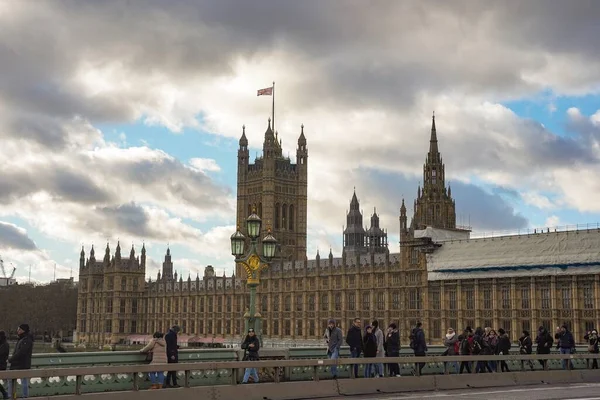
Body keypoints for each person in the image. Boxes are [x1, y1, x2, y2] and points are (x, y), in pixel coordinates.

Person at [8, 324, 34, 399]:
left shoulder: (26, 340)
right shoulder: (22, 339)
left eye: (19, 329)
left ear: (23, 330)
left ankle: (23, 397)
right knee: (12, 379)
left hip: (22, 364)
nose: (17, 331)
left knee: (23, 380)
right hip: (18, 364)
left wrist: (11, 359)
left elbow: (21, 352)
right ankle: (12, 396)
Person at [0, 331, 9, 399]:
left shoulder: (5, 345)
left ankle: (4, 393)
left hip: (1, 365)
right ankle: (4, 393)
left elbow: (2, 354)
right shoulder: (2, 344)